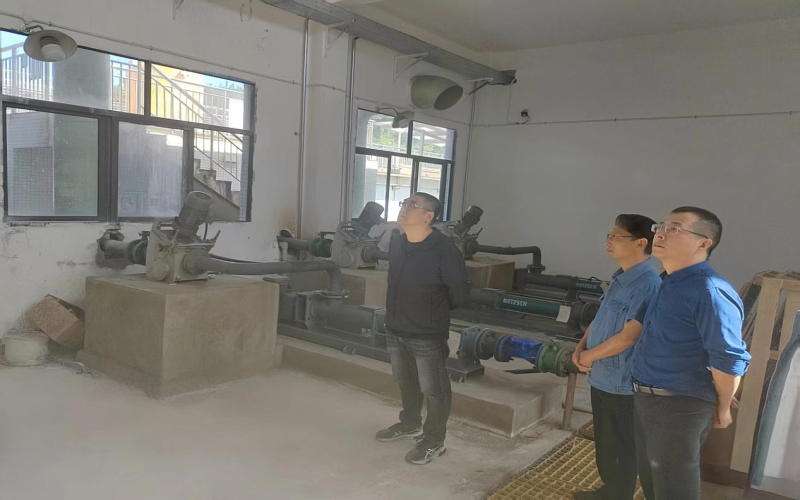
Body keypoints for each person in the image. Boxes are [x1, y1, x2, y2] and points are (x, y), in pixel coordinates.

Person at [631, 207, 751, 500]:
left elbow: (728, 359)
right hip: (647, 398)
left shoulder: (710, 291)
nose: (661, 233)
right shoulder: (668, 281)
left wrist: (724, 405)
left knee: (674, 489)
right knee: (653, 483)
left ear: (703, 243)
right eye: (661, 226)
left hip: (678, 406)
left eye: (674, 228)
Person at [375, 192, 470, 465]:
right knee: (406, 381)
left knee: (434, 389)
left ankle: (434, 441)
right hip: (396, 328)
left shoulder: (444, 250)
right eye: (404, 203)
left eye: (412, 205)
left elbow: (459, 294)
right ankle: (410, 424)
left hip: (426, 334)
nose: (404, 208)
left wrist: (430, 312)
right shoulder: (398, 241)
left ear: (428, 216)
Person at [571, 215, 661, 500]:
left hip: (622, 381)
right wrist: (581, 347)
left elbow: (628, 337)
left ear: (640, 243)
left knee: (622, 446)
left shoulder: (648, 285)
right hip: (602, 374)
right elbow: (601, 316)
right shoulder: (621, 278)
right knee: (606, 443)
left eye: (616, 236)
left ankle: (618, 494)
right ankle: (611, 491)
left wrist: (590, 355)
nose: (609, 241)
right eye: (609, 235)